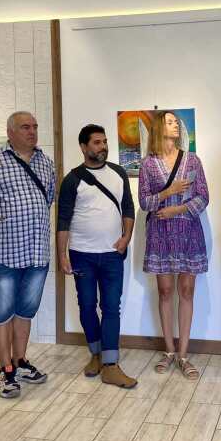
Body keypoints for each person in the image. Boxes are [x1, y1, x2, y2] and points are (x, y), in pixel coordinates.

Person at [0, 111, 56, 398]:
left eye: (35, 126)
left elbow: (48, 199)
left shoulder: (45, 162)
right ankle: (5, 369)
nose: (32, 131)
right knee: (0, 314)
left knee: (25, 311)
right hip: (3, 253)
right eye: (25, 127)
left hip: (37, 252)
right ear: (10, 132)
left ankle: (20, 361)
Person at [57, 124, 137, 387]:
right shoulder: (72, 180)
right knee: (87, 305)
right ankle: (96, 354)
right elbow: (63, 220)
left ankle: (111, 365)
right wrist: (62, 255)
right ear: (83, 147)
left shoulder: (118, 173)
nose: (103, 147)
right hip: (82, 255)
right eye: (97, 142)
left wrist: (126, 237)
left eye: (105, 142)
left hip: (113, 254)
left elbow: (128, 207)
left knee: (112, 307)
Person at [138, 111, 210, 379]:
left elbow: (203, 196)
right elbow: (144, 202)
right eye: (169, 122)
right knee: (165, 291)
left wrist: (176, 209)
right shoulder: (148, 164)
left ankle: (183, 354)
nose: (175, 125)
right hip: (161, 235)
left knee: (187, 290)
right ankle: (169, 350)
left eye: (176, 122)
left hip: (189, 233)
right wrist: (168, 193)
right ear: (159, 128)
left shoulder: (192, 160)